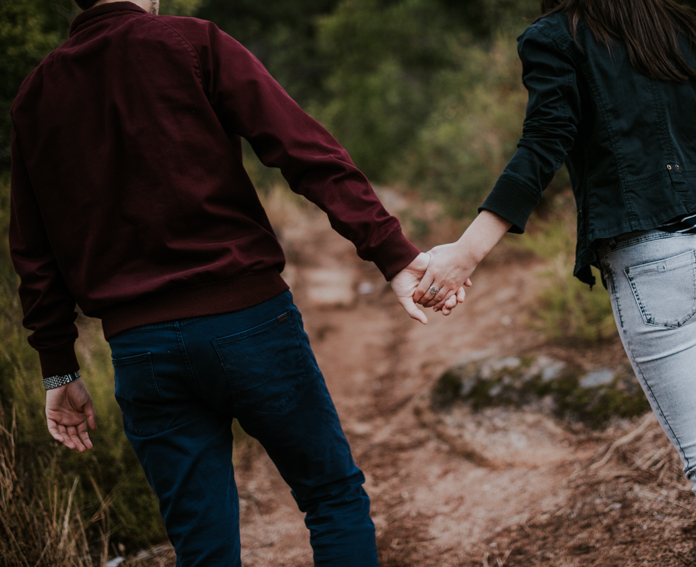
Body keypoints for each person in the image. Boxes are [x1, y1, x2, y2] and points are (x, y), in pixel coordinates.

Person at [8, 0, 464, 564]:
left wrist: (58, 365)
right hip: (250, 325)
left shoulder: (36, 93)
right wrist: (391, 254)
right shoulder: (190, 42)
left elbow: (33, 250)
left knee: (203, 547)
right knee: (331, 497)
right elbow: (304, 151)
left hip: (140, 351)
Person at [413, 0, 696, 565]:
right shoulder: (680, 22)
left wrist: (467, 252)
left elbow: (544, 142)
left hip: (656, 264)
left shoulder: (556, 37)